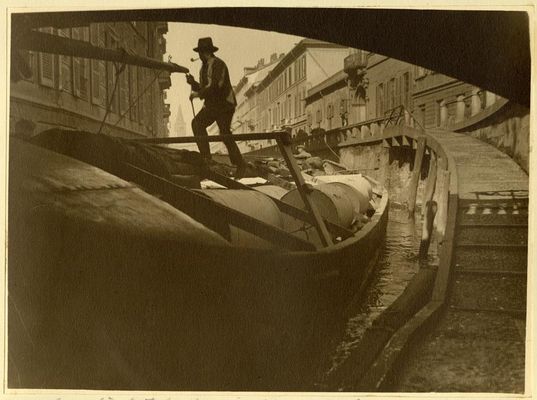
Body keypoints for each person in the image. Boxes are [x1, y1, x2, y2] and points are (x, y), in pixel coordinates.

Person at [186, 37, 247, 178]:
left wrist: (197, 94)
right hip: (213, 105)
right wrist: (193, 83)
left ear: (206, 52)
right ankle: (207, 159)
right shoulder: (204, 67)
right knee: (197, 123)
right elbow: (204, 88)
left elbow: (215, 87)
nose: (199, 56)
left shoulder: (218, 64)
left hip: (225, 104)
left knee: (224, 132)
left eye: (200, 53)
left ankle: (240, 164)